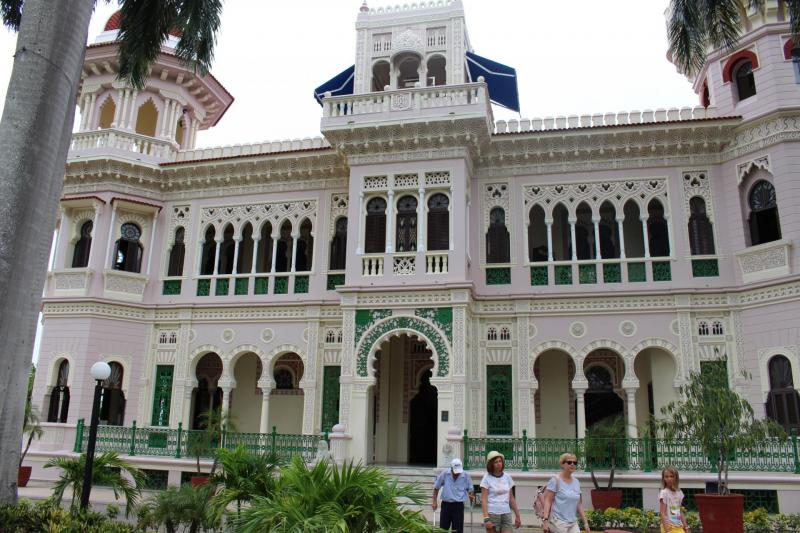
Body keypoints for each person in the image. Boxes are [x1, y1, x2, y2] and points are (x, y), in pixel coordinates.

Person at [541, 452, 590, 533]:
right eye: (569, 462)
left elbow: (579, 504)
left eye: (574, 463)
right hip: (558, 522)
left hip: (573, 522)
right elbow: (548, 501)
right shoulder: (555, 480)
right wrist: (545, 520)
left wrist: (586, 523)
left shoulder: (576, 482)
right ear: (562, 464)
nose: (572, 464)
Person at [480, 450, 521, 532]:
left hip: (506, 513)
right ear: (491, 464)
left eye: (500, 461)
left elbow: (511, 498)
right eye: (496, 462)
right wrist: (486, 518)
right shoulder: (486, 478)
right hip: (492, 514)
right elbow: (484, 499)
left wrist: (517, 516)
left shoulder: (507, 477)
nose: (499, 464)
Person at [432, 458, 475, 533]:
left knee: (457, 530)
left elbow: (470, 489)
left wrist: (471, 495)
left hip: (458, 506)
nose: (457, 473)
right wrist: (434, 501)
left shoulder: (465, 475)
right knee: (443, 529)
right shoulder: (445, 473)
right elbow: (436, 488)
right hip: (446, 505)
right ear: (451, 468)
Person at [659, 466, 689, 533]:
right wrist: (667, 530)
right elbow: (662, 513)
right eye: (666, 477)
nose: (669, 479)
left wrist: (686, 527)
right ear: (663, 478)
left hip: (679, 526)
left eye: (672, 476)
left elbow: (680, 511)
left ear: (676, 478)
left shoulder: (679, 493)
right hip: (669, 527)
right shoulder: (664, 493)